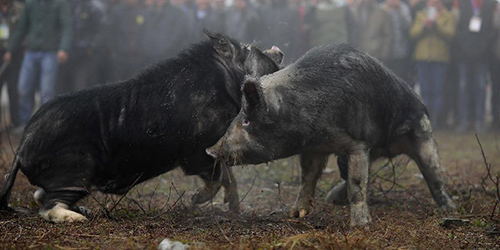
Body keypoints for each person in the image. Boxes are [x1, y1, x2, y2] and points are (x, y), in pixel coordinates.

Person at [3, 0, 72, 131]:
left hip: (50, 52)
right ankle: (25, 123)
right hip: (31, 51)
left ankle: (45, 124)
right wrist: (11, 50)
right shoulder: (30, 4)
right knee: (23, 88)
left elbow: (66, 26)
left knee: (46, 91)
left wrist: (64, 48)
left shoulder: (60, 3)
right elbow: (21, 29)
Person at [410, 0, 456, 127]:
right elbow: (413, 33)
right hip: (422, 58)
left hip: (440, 59)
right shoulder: (421, 15)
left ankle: (435, 120)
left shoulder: (448, 16)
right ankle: (425, 120)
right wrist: (424, 26)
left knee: (438, 91)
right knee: (424, 90)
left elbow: (450, 34)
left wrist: (436, 24)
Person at [455, 0, 497, 132]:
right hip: (464, 55)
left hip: (483, 56)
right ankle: (464, 121)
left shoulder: (492, 4)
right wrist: (465, 47)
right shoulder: (461, 3)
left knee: (480, 88)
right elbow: (457, 27)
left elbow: (494, 29)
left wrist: (482, 47)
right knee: (463, 88)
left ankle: (480, 121)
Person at [0, 0, 23, 128]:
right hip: (0, 54)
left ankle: (16, 122)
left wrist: (12, 50)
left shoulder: (19, 9)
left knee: (13, 89)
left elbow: (23, 32)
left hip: (15, 55)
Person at [384, 0, 413, 85]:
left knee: (400, 79)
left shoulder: (403, 8)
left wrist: (399, 9)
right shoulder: (382, 8)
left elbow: (408, 26)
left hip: (401, 51)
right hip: (386, 52)